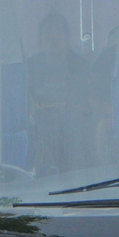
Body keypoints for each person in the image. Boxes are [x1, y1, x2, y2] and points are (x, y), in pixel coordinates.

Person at [27, 13, 92, 175]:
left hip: (72, 132)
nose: (52, 37)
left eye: (57, 32)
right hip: (39, 131)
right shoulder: (30, 66)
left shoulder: (81, 66)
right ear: (40, 38)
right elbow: (26, 103)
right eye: (48, 33)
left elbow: (82, 104)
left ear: (67, 36)